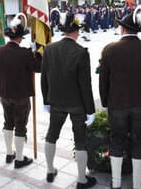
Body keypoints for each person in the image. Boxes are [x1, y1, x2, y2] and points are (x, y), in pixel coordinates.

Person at [99, 7, 141, 189]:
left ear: (123, 29)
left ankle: (116, 184)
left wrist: (105, 103)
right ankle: (136, 185)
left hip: (117, 104)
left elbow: (103, 82)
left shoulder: (109, 50)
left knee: (117, 141)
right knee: (138, 142)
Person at [41, 13, 96, 188]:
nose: (79, 33)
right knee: (80, 140)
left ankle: (49, 170)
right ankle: (81, 179)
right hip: (77, 104)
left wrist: (46, 101)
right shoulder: (81, 52)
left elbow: (44, 79)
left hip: (56, 101)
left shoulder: (49, 49)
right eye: (78, 30)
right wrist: (90, 110)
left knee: (51, 136)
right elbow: (85, 85)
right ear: (75, 32)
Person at [0, 13, 42, 169]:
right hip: (21, 96)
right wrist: (37, 53)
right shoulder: (25, 53)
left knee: (8, 122)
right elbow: (38, 68)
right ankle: (19, 159)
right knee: (20, 125)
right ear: (19, 38)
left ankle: (9, 153)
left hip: (5, 94)